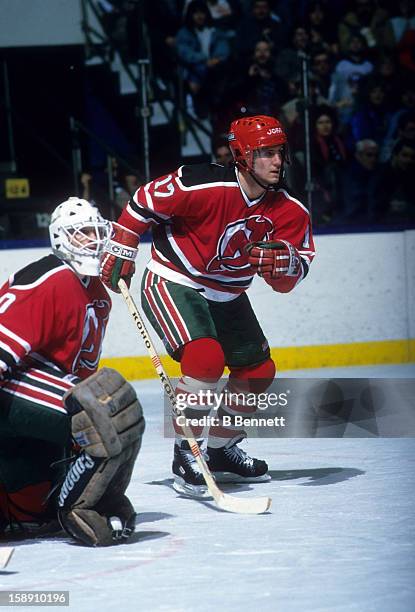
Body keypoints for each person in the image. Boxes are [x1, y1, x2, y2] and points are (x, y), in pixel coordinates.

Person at [101, 115, 315, 498]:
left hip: (228, 293)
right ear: (242, 156)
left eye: (279, 152)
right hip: (174, 278)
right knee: (205, 360)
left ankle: (217, 449)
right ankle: (187, 451)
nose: (277, 161)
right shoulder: (203, 183)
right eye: (265, 153)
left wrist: (286, 265)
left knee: (259, 371)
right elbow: (144, 200)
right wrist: (122, 244)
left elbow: (288, 281)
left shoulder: (290, 211)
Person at [0, 197, 145, 546]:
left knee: (115, 410)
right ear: (61, 239)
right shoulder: (49, 280)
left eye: (97, 232)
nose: (93, 241)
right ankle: (75, 509)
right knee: (97, 418)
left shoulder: (98, 295)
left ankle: (89, 499)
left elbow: (76, 380)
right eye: (82, 234)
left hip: (27, 402)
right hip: (9, 391)